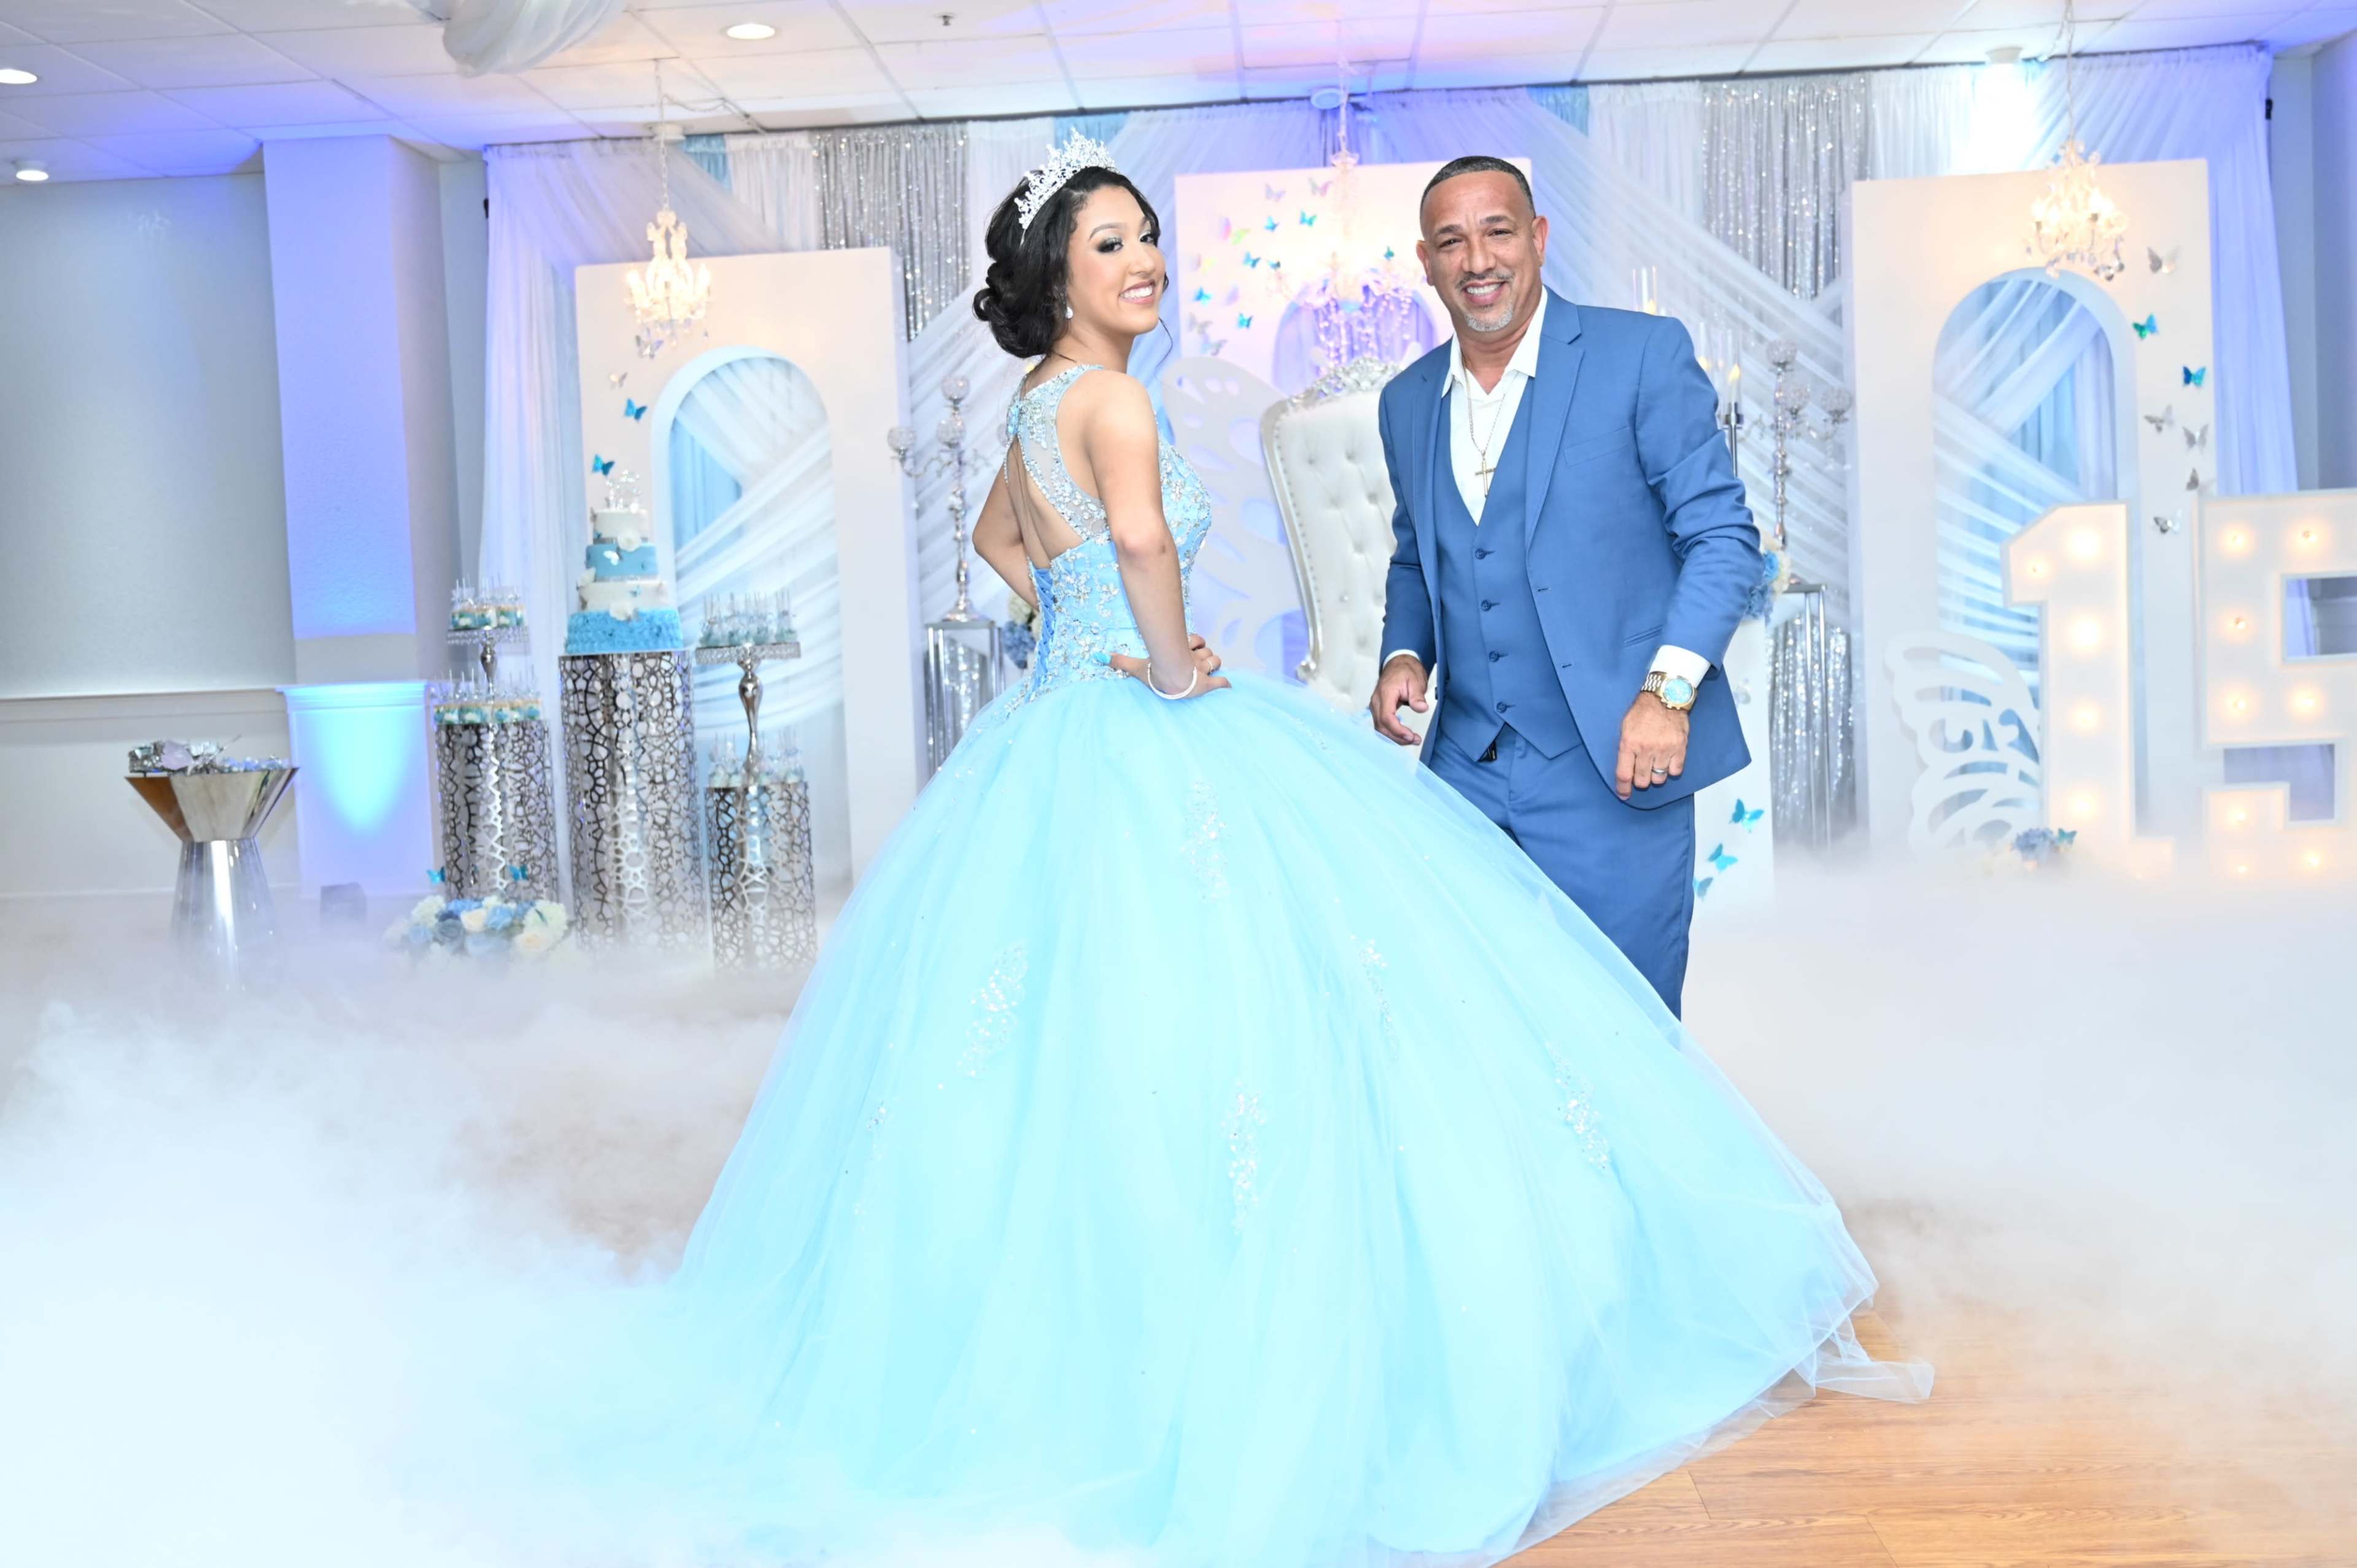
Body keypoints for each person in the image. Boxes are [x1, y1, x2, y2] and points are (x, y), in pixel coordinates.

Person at [551, 134, 1927, 1567]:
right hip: (1232, 733)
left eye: (1147, 236)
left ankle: (1560, 1298)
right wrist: (1167, 659)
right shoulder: (1156, 400)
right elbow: (1158, 546)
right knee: (1285, 1034)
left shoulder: (1043, 400)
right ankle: (1452, 1336)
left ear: (1533, 236)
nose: (1144, 259)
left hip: (1118, 735)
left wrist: (1083, 626)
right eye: (1110, 244)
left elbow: (1006, 546)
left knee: (1121, 1051)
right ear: (1057, 277)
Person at [1371, 156, 1761, 1016]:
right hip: (1464, 775)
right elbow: (1416, 553)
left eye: (1498, 232)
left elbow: (1724, 539)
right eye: (1451, 242)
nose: (1478, 260)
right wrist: (1404, 653)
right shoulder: (1405, 401)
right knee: (1473, 1022)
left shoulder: (1639, 356)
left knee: (1626, 1025)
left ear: (1540, 238)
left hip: (1617, 762)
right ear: (1426, 262)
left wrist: (1668, 694)